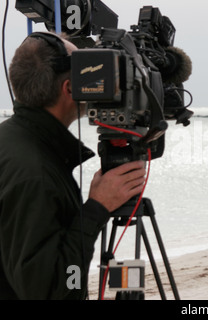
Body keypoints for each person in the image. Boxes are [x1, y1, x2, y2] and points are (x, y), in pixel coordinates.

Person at [0, 32, 147, 300]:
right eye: (86, 68)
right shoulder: (35, 173)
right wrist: (97, 208)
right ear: (70, 88)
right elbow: (48, 291)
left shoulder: (16, 143)